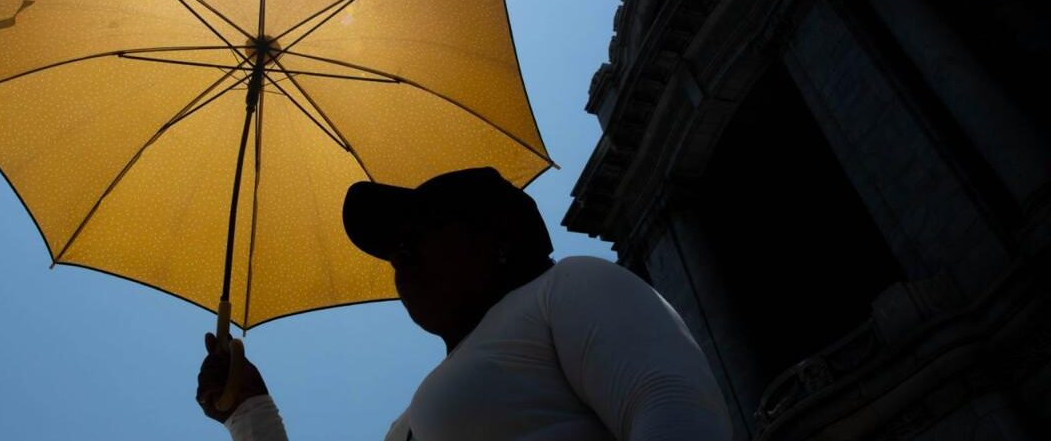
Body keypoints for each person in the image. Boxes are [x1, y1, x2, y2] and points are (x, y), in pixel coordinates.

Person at [197, 167, 732, 440]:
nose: (398, 261)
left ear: (495, 238)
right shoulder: (406, 422)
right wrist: (250, 409)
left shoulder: (569, 286)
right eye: (391, 253)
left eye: (415, 237)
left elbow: (670, 405)